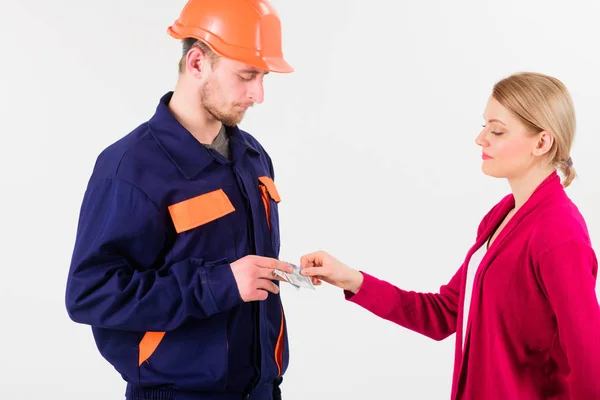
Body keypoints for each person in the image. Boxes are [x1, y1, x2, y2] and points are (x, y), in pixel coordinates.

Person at [299, 72, 600, 399]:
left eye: (497, 130)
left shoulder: (559, 232)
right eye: (484, 125)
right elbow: (445, 313)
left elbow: (590, 361)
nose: (481, 139)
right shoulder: (501, 215)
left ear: (542, 142)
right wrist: (351, 279)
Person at [64, 1, 297, 399]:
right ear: (195, 63)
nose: (258, 94)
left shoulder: (252, 157)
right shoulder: (129, 167)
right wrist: (219, 283)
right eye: (246, 76)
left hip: (261, 389)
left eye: (263, 78)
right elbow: (90, 293)